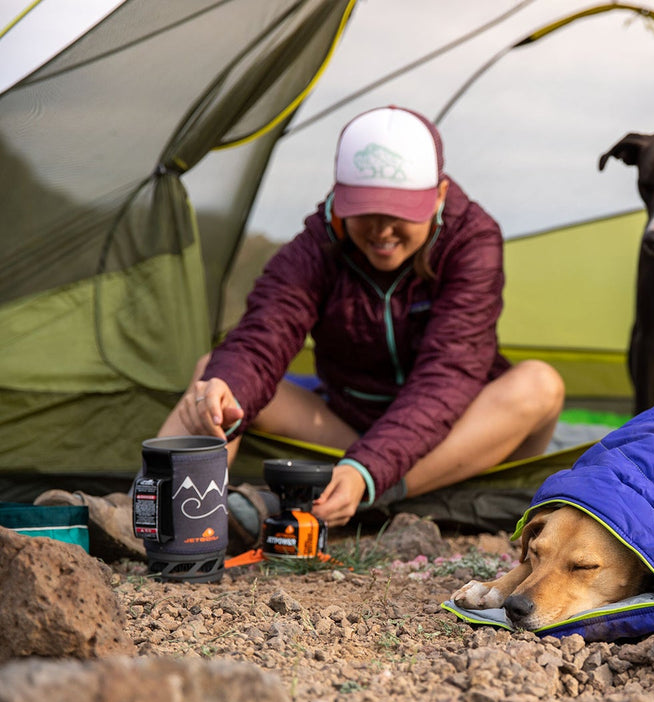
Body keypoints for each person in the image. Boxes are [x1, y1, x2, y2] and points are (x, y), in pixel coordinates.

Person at [40, 105, 564, 557]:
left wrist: (369, 470)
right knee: (218, 381)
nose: (382, 230)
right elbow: (264, 335)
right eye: (365, 212)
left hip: (456, 440)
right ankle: (152, 520)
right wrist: (227, 385)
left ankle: (374, 492)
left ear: (439, 195)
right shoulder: (316, 246)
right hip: (352, 432)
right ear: (339, 198)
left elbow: (450, 373)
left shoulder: (473, 241)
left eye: (399, 213)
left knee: (540, 384)